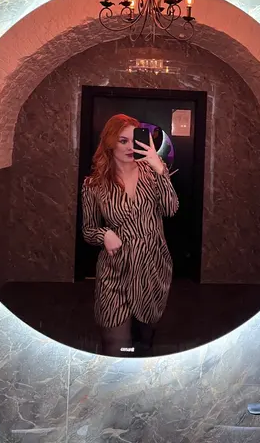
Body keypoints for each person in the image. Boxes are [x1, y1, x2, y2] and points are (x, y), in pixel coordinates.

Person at [81, 114, 179, 356]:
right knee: (116, 346)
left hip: (152, 267)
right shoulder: (94, 185)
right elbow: (88, 230)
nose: (129, 147)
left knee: (144, 343)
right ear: (110, 142)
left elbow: (170, 209)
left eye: (134, 141)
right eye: (122, 140)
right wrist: (104, 234)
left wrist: (159, 168)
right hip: (115, 270)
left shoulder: (152, 172)